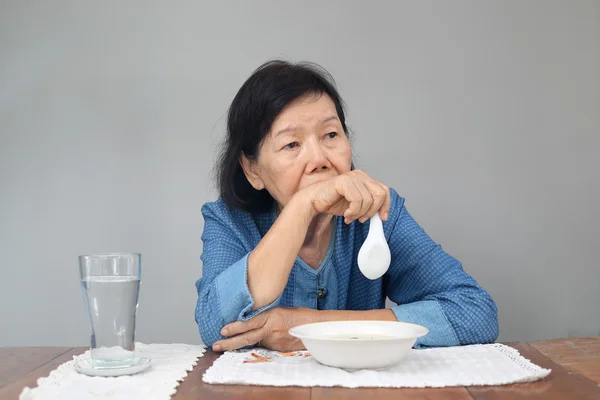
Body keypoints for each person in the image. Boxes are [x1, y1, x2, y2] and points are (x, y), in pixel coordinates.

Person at [195, 60, 499, 352]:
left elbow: (475, 314)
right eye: (292, 144)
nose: (319, 160)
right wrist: (303, 205)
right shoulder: (229, 220)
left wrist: (310, 328)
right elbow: (215, 326)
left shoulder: (378, 214)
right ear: (252, 169)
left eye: (330, 135)